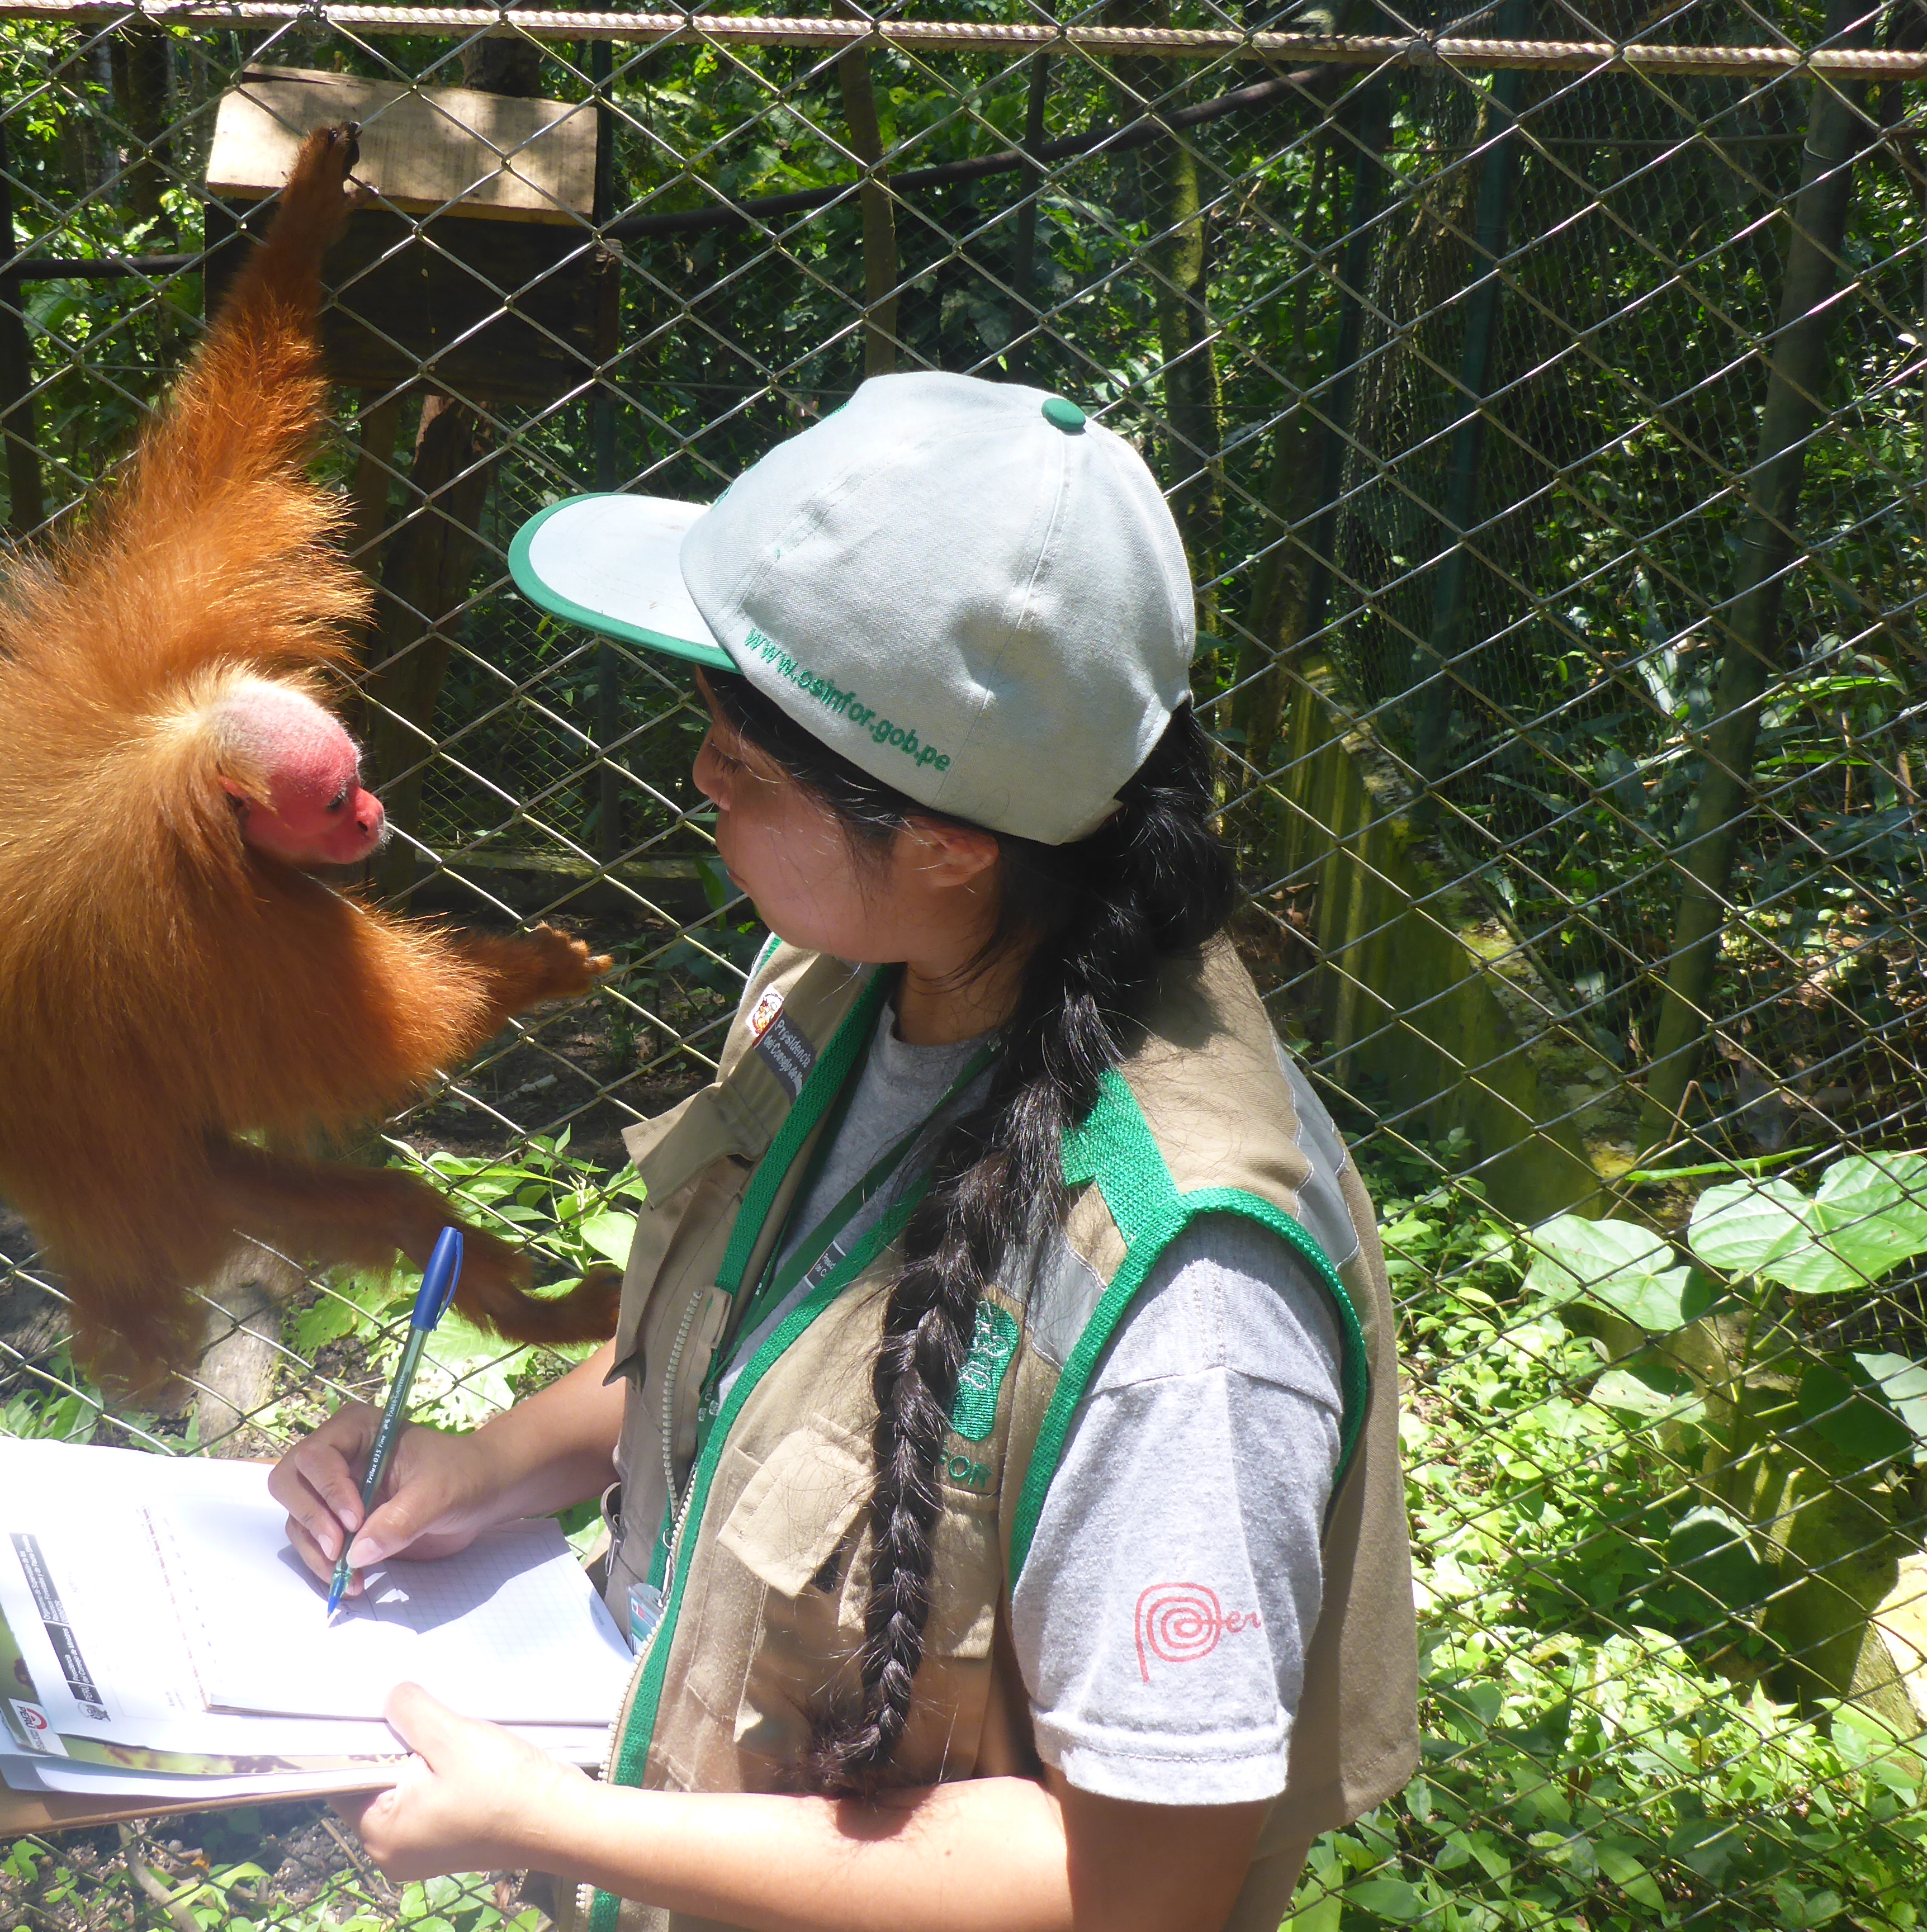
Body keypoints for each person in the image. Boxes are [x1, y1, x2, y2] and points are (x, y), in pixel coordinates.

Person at [268, 373, 1418, 1932]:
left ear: (947, 843)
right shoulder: (853, 973)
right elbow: (764, 1350)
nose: (699, 786)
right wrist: (485, 1469)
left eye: (743, 768)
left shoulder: (1187, 1307)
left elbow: (1142, 1889)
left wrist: (563, 1826)